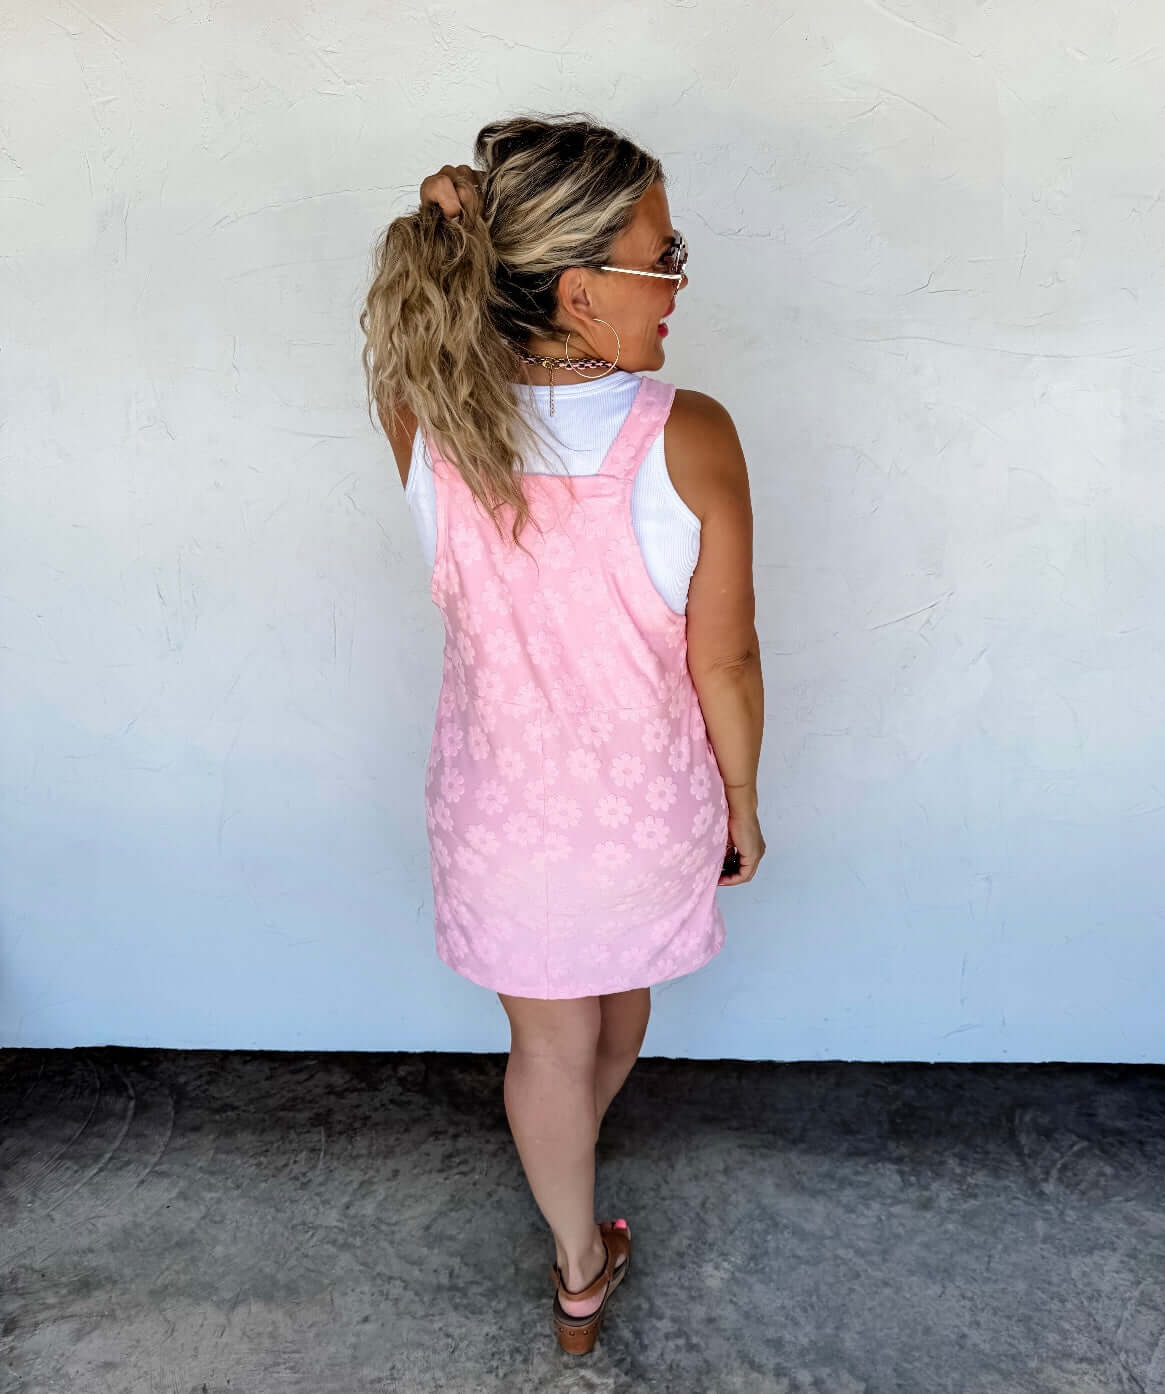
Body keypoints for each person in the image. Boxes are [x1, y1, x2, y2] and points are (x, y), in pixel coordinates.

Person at [359, 114, 765, 1356]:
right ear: (581, 287)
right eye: (662, 252)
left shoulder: (431, 420)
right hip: (644, 814)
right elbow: (725, 658)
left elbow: (402, 349)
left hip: (497, 817)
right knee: (617, 1007)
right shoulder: (684, 432)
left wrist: (451, 228)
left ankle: (576, 1255)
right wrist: (742, 800)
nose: (680, 278)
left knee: (544, 1041)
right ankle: (574, 1184)